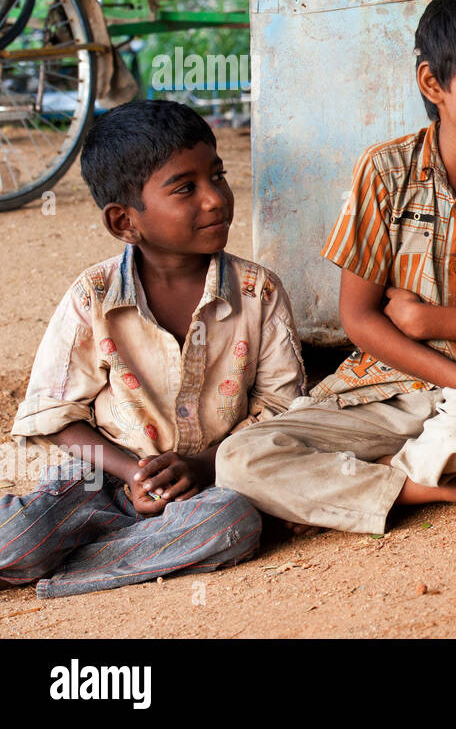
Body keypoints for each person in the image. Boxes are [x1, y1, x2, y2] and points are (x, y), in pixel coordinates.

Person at [216, 0, 456, 534]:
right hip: (389, 387)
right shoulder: (384, 170)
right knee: (238, 459)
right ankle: (434, 486)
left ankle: (348, 489)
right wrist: (455, 376)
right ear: (433, 83)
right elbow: (358, 317)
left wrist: (431, 322)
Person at [2, 100, 305, 598]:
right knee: (19, 536)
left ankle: (63, 568)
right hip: (98, 480)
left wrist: (201, 466)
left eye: (218, 176)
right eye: (186, 188)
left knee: (230, 524)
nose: (215, 199)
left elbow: (280, 410)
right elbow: (55, 414)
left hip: (209, 485)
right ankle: (67, 548)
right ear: (125, 222)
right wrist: (134, 473)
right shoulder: (93, 296)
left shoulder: (258, 291)